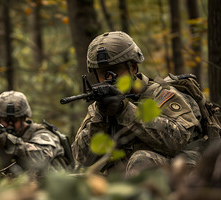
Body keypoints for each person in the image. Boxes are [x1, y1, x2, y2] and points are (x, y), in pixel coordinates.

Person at [72, 31, 205, 177]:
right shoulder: (101, 108)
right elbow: (83, 159)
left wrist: (125, 110)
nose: (109, 79)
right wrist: (100, 118)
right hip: (126, 180)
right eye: (104, 74)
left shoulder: (162, 95)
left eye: (115, 71)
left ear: (133, 67)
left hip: (179, 175)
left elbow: (177, 141)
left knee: (141, 159)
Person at [0, 90, 70, 178]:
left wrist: (10, 142)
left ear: (24, 118)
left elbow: (41, 157)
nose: (10, 124)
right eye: (6, 120)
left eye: (14, 120)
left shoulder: (43, 134)